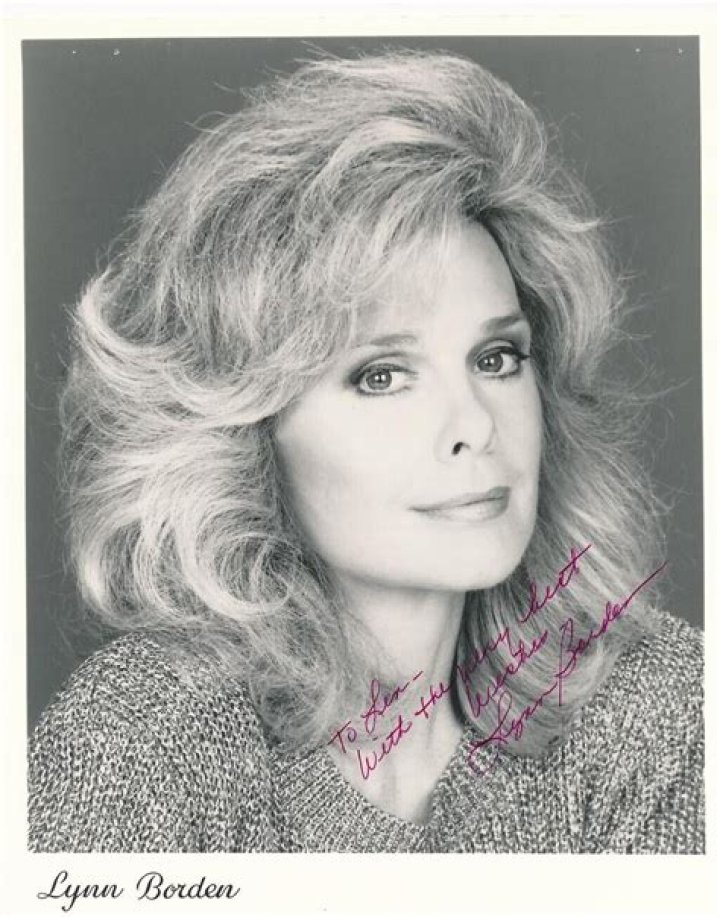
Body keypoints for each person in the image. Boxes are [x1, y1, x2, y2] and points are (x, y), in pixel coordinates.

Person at [27, 50, 704, 854]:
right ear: (244, 429)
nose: (475, 424)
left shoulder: (661, 706)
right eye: (382, 375)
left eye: (496, 358)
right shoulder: (140, 738)